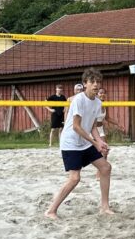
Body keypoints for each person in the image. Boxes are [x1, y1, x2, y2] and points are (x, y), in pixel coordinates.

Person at [45, 68, 114, 219]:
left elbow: (93, 127)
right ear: (85, 84)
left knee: (106, 167)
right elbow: (76, 127)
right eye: (92, 82)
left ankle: (104, 206)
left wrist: (100, 141)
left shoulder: (97, 102)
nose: (96, 85)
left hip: (84, 141)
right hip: (70, 142)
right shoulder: (79, 100)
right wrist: (95, 143)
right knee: (75, 178)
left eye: (98, 82)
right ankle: (51, 210)